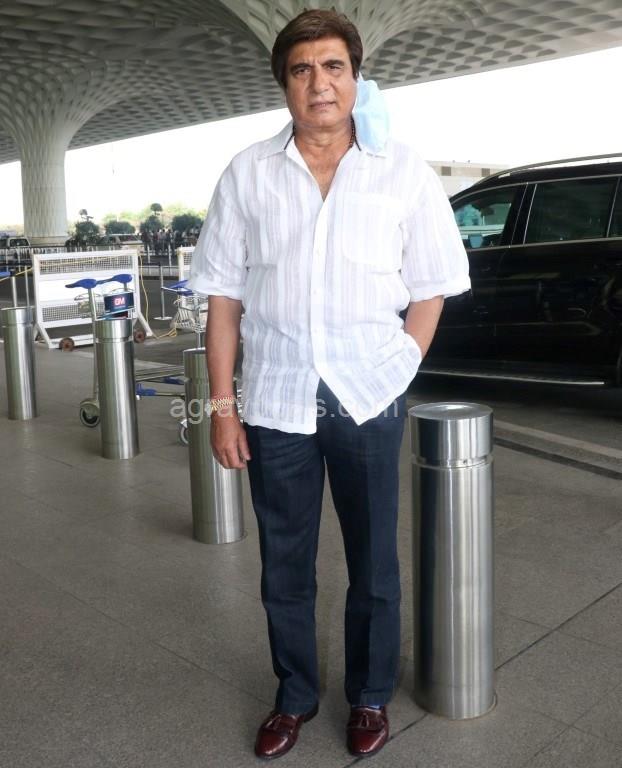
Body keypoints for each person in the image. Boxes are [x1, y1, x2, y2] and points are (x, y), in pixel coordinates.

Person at [188, 8, 470, 760]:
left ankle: (369, 694)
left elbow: (433, 286)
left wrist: (399, 365)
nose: (320, 83)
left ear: (355, 77)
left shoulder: (401, 170)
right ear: (284, 84)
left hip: (367, 398)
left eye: (334, 66)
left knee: (374, 563)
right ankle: (295, 696)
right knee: (284, 563)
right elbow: (223, 299)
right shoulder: (248, 173)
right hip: (276, 397)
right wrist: (223, 408)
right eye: (303, 69)